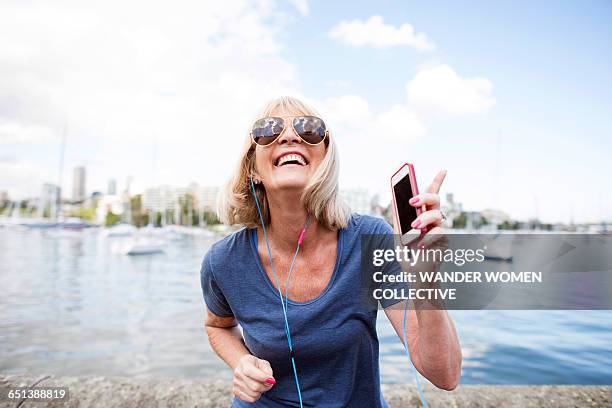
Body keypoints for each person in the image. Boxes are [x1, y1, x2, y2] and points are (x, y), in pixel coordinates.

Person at [200, 96, 461, 407]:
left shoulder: (370, 239)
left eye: (309, 128)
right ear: (252, 169)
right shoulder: (223, 261)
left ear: (325, 159)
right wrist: (241, 360)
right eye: (268, 130)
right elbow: (218, 326)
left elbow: (444, 375)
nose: (289, 136)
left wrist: (426, 280)